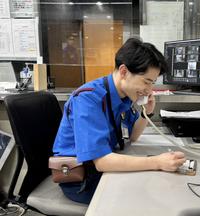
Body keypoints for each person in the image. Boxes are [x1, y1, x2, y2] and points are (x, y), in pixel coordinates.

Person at [53, 38, 186, 204]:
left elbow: (133, 136)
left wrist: (147, 113)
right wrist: (157, 162)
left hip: (103, 168)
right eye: (146, 82)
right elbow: (102, 162)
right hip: (81, 179)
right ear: (124, 72)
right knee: (149, 197)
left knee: (157, 184)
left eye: (152, 84)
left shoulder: (125, 96)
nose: (149, 90)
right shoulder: (88, 99)